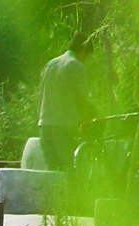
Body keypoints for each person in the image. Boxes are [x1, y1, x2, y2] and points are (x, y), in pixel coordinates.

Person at [37, 32, 96, 172]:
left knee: (52, 170)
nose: (86, 59)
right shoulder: (76, 66)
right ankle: (70, 194)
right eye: (87, 55)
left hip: (44, 124)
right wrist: (86, 122)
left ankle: (53, 194)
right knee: (68, 167)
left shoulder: (50, 64)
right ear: (83, 50)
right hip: (64, 124)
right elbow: (82, 99)